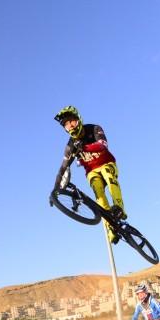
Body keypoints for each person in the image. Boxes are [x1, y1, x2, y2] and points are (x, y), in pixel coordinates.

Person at [52, 105, 126, 244]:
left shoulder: (94, 129)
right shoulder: (70, 146)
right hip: (91, 172)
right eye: (66, 125)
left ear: (78, 119)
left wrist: (85, 147)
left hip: (107, 163)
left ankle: (120, 208)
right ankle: (111, 228)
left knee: (109, 178)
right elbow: (62, 169)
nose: (70, 126)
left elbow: (103, 145)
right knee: (98, 194)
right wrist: (55, 191)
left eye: (71, 121)